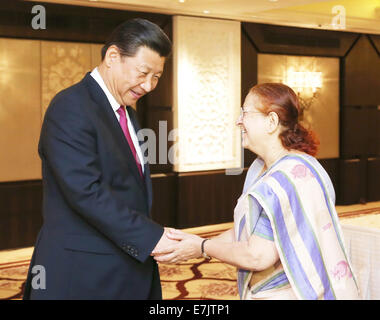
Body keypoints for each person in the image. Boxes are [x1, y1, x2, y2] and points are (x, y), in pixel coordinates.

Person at [153, 83, 360, 300]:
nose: (238, 121)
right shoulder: (261, 168)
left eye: (245, 113)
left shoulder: (291, 176)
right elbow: (245, 231)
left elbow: (257, 256)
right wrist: (194, 242)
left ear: (271, 121)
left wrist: (203, 246)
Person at [23, 18, 177, 300]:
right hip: (81, 273)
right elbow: (85, 192)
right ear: (113, 57)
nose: (148, 85)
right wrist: (151, 237)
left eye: (156, 77)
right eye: (143, 73)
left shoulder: (125, 110)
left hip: (122, 266)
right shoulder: (71, 106)